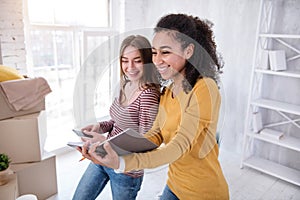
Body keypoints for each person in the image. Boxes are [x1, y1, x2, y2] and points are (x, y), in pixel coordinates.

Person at [83, 13, 229, 200]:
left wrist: (122, 163)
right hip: (175, 185)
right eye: (154, 52)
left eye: (165, 52)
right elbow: (155, 135)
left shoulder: (204, 88)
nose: (157, 60)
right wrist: (108, 146)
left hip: (203, 192)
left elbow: (179, 146)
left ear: (188, 51)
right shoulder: (167, 93)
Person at [72, 35, 161, 200]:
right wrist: (99, 127)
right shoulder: (125, 84)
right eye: (125, 60)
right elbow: (117, 122)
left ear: (148, 62)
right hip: (102, 158)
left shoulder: (148, 95)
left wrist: (106, 145)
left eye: (137, 60)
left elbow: (145, 142)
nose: (130, 67)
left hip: (126, 170)